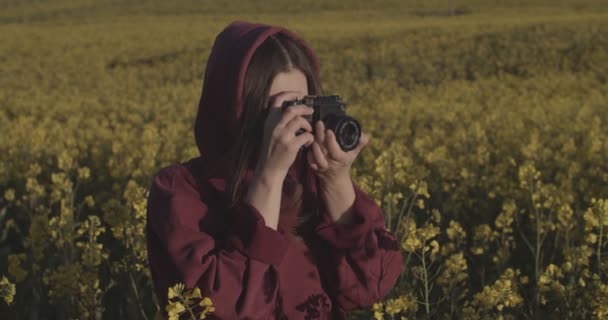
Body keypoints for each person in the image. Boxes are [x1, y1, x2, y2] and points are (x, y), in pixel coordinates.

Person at [145, 20, 403, 320]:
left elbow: (369, 288)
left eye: (301, 106)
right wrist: (268, 178)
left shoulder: (310, 179)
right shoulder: (181, 190)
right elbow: (229, 312)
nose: (291, 123)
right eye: (279, 110)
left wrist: (335, 180)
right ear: (235, 108)